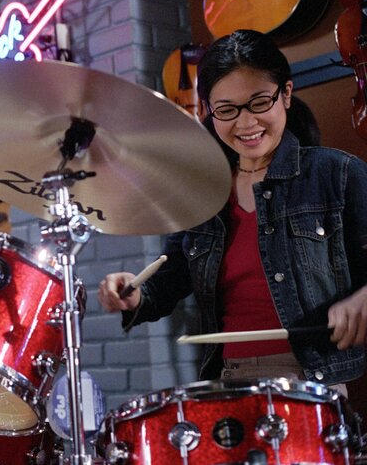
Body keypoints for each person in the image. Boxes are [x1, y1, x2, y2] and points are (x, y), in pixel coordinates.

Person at [97, 29, 367, 391]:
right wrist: (135, 294)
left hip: (312, 382)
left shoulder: (337, 173)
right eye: (226, 110)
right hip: (229, 379)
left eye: (260, 102)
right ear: (208, 110)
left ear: (286, 94)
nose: (246, 123)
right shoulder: (203, 193)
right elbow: (170, 278)